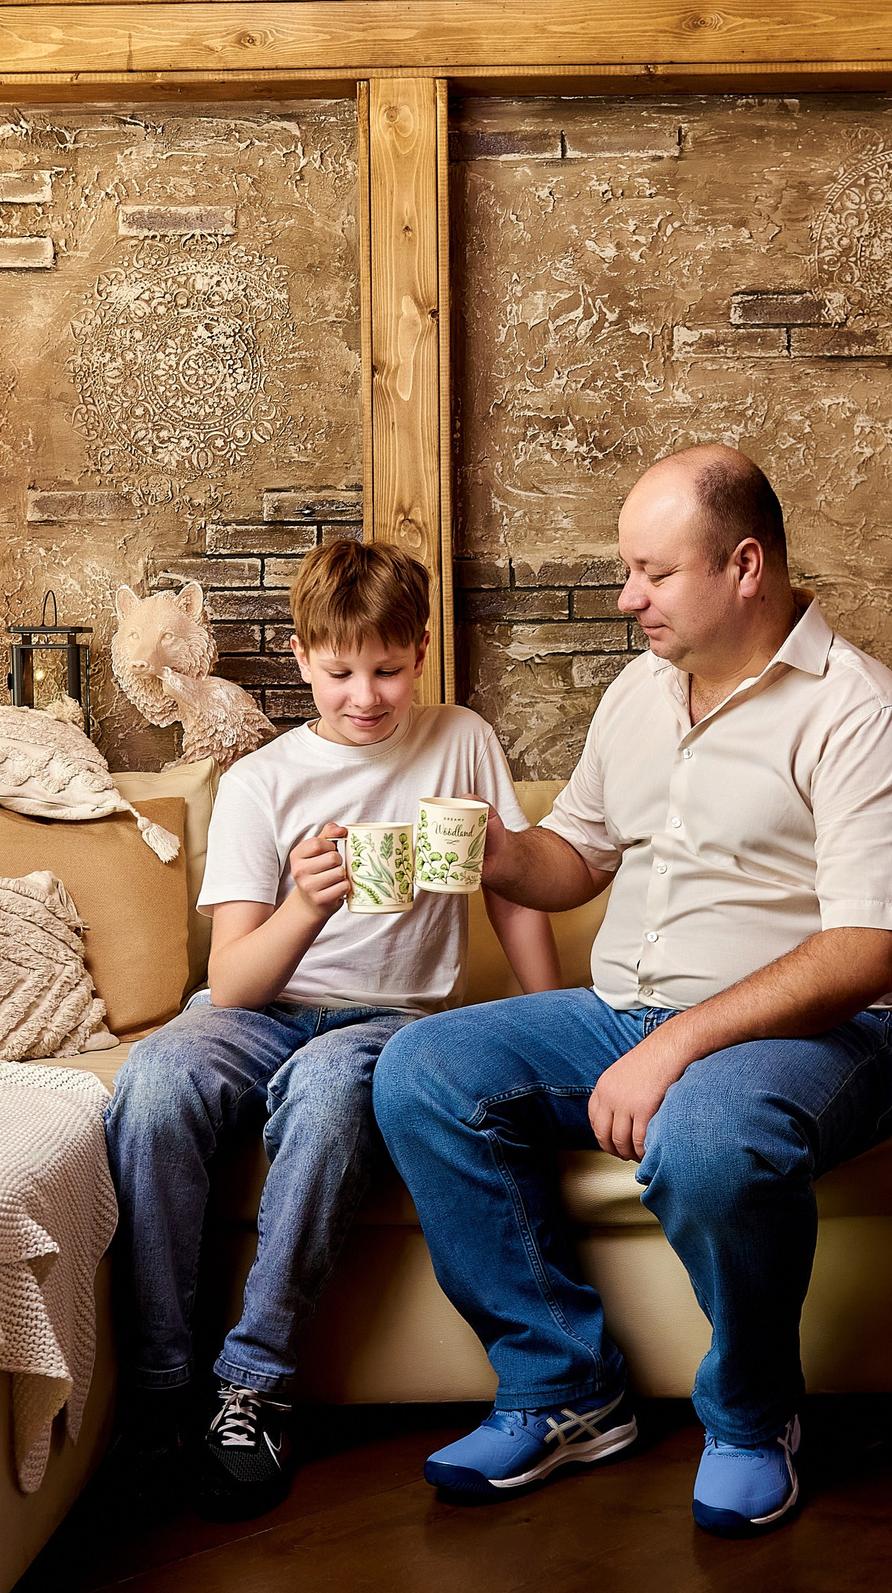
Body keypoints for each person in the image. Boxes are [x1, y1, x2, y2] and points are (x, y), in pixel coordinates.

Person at [373, 446, 892, 1538]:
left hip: (829, 1030)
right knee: (424, 1068)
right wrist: (492, 850)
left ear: (744, 566)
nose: (626, 596)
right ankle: (563, 1389)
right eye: (626, 570)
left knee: (711, 1131)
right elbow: (573, 862)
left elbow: (870, 951)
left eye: (651, 571)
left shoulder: (861, 713)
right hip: (628, 1011)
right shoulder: (640, 690)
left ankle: (751, 1416)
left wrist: (676, 1043)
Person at [104, 538, 562, 1518]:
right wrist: (307, 905)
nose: (365, 694)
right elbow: (229, 983)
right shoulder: (263, 782)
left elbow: (516, 892)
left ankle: (252, 1384)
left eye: (388, 669)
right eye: (341, 670)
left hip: (394, 1022)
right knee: (155, 1081)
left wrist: (544, 1016)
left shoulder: (461, 740)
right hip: (262, 1008)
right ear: (304, 657)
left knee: (331, 1092)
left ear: (421, 652)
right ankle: (152, 1386)